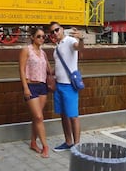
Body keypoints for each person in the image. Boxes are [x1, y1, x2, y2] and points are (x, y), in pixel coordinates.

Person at [49, 21, 84, 152]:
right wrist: (49, 73)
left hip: (69, 85)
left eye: (56, 30)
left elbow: (78, 47)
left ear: (62, 29)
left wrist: (81, 39)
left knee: (73, 116)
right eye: (52, 32)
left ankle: (77, 145)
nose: (55, 33)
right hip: (59, 85)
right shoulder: (57, 46)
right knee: (63, 115)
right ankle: (68, 142)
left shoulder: (70, 41)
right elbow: (58, 65)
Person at [19, 27, 52, 158]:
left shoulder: (43, 53)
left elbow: (49, 69)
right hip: (31, 86)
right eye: (39, 36)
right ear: (32, 37)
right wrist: (25, 88)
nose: (42, 39)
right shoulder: (26, 50)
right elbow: (21, 70)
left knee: (36, 117)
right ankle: (45, 146)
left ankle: (33, 142)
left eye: (43, 37)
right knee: (39, 117)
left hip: (42, 86)